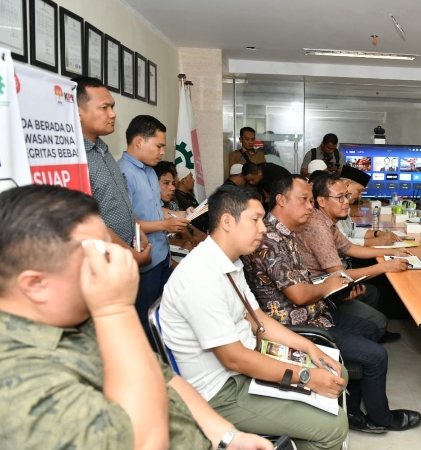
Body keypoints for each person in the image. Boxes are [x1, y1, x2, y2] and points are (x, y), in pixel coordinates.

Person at [0, 184, 273, 450]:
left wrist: (227, 437)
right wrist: (115, 310)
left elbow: (165, 379)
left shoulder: (75, 316)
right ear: (35, 285)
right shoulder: (15, 379)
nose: (120, 262)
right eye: (96, 256)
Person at [160, 185, 349, 450]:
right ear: (227, 221)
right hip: (222, 391)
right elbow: (234, 357)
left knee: (337, 372)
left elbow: (257, 317)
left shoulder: (230, 263)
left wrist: (309, 349)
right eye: (255, 219)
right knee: (334, 427)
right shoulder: (200, 278)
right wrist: (305, 376)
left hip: (243, 366)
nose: (263, 228)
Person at [241, 176, 421, 434]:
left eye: (310, 200)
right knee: (377, 355)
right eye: (304, 200)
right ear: (280, 200)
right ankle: (380, 419)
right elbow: (299, 296)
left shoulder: (286, 231)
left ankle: (351, 409)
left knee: (371, 330)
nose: (309, 207)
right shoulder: (272, 240)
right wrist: (330, 286)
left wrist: (330, 289)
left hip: (315, 311)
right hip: (297, 326)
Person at [295, 174, 413, 342]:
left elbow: (349, 247)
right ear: (321, 201)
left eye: (346, 196)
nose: (346, 202)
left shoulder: (326, 220)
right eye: (339, 197)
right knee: (379, 323)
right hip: (321, 294)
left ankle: (362, 335)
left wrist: (388, 252)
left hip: (331, 285)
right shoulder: (318, 227)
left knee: (372, 297)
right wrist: (385, 266)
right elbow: (340, 275)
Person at [118, 115, 189, 342]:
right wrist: (164, 225)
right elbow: (128, 222)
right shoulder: (124, 173)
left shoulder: (150, 171)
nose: (161, 153)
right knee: (144, 323)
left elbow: (157, 210)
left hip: (162, 256)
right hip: (144, 260)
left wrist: (181, 215)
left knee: (162, 317)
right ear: (140, 141)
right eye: (158, 146)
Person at [73, 76, 152, 268]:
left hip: (127, 255)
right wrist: (131, 255)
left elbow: (120, 198)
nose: (113, 114)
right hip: (102, 263)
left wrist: (137, 229)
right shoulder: (74, 158)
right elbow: (86, 221)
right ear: (77, 112)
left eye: (112, 107)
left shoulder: (103, 150)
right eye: (104, 107)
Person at [337, 165, 400, 247]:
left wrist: (378, 233)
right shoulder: (333, 206)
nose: (360, 196)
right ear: (347, 184)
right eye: (359, 191)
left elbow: (353, 231)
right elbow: (343, 243)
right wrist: (377, 241)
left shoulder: (345, 205)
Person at [153, 161, 205, 252]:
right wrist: (187, 241)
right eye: (166, 183)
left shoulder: (172, 202)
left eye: (172, 183)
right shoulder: (146, 207)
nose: (172, 187)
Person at [174, 166, 210, 233]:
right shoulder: (178, 198)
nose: (193, 180)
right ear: (184, 181)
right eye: (191, 177)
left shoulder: (187, 195)